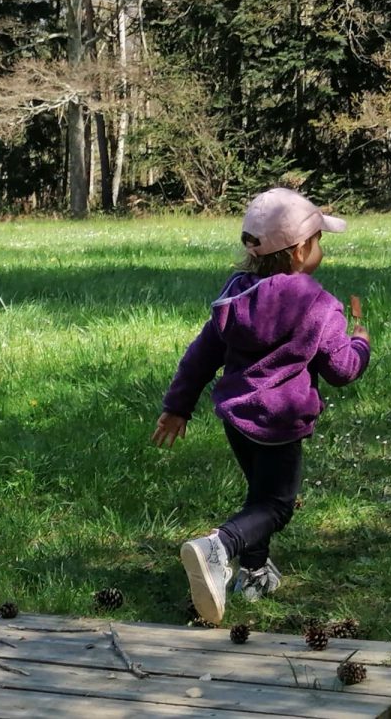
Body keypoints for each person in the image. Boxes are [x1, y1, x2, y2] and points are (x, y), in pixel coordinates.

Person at [153, 188, 371, 625]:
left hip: (237, 417)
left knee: (259, 496)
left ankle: (254, 573)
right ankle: (218, 547)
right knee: (277, 505)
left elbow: (202, 353)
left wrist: (177, 406)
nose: (321, 250)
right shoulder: (318, 304)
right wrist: (361, 339)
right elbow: (342, 370)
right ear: (301, 249)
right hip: (279, 421)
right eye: (319, 241)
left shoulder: (234, 297)